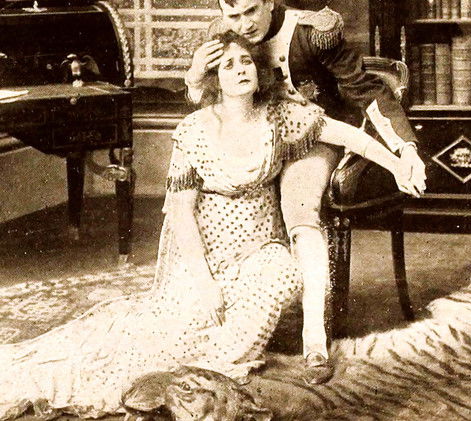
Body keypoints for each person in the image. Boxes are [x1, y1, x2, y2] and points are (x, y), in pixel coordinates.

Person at [0, 32, 421, 419]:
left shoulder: (280, 115)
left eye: (246, 61)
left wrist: (398, 163)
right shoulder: (195, 130)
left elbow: (349, 135)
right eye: (228, 65)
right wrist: (204, 282)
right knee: (168, 339)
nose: (240, 70)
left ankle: (207, 372)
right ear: (215, 80)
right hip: (206, 253)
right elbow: (182, 213)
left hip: (260, 249)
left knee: (277, 282)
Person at [185, 0, 426, 382]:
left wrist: (405, 150)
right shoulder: (222, 37)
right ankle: (232, 317)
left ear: (269, 1)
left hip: (312, 136)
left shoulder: (312, 33)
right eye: (234, 17)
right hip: (255, 135)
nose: (244, 25)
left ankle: (314, 341)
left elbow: (366, 91)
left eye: (251, 11)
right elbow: (207, 99)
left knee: (300, 214)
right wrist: (193, 75)